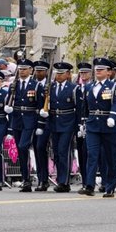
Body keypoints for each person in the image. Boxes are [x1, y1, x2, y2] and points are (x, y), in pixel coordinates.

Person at [80, 57, 116, 197]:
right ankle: (89, 185)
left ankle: (110, 186)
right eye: (97, 69)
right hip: (93, 125)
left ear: (109, 72)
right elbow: (85, 107)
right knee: (92, 155)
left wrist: (113, 116)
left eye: (101, 69)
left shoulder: (114, 87)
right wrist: (83, 123)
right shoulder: (89, 87)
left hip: (108, 125)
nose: (98, 71)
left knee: (111, 157)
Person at [8, 61, 45, 192]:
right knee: (20, 149)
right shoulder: (14, 84)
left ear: (31, 70)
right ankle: (26, 179)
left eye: (24, 69)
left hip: (30, 120)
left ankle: (40, 179)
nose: (22, 71)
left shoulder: (36, 85)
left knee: (24, 146)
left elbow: (41, 105)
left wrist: (41, 123)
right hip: (17, 119)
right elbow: (10, 100)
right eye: (20, 69)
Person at [46, 61, 79, 192]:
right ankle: (61, 178)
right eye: (57, 73)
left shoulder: (73, 88)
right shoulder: (51, 87)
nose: (58, 76)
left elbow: (78, 109)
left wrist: (77, 126)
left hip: (68, 123)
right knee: (57, 153)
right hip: (54, 122)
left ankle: (64, 181)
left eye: (61, 73)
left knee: (63, 151)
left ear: (67, 74)